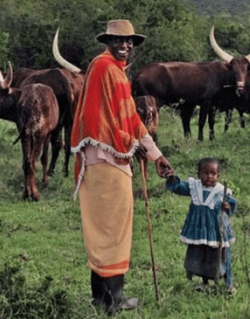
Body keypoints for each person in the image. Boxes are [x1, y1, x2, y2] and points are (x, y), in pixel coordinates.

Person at [70, 19, 174, 314]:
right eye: (118, 40)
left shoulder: (111, 69)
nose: (125, 45)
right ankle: (113, 300)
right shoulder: (107, 69)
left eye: (129, 41)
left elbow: (128, 116)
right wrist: (134, 143)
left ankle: (100, 298)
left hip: (104, 158)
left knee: (103, 226)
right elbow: (117, 122)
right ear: (108, 42)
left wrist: (155, 154)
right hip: (107, 159)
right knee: (113, 228)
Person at [166, 157, 237, 293]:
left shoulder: (222, 191)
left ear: (218, 175)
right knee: (202, 253)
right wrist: (172, 179)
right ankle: (204, 283)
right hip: (199, 229)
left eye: (213, 173)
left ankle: (228, 284)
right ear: (199, 173)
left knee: (221, 254)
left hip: (216, 230)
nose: (209, 176)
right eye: (205, 173)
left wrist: (226, 207)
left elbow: (231, 206)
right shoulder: (194, 186)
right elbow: (179, 187)